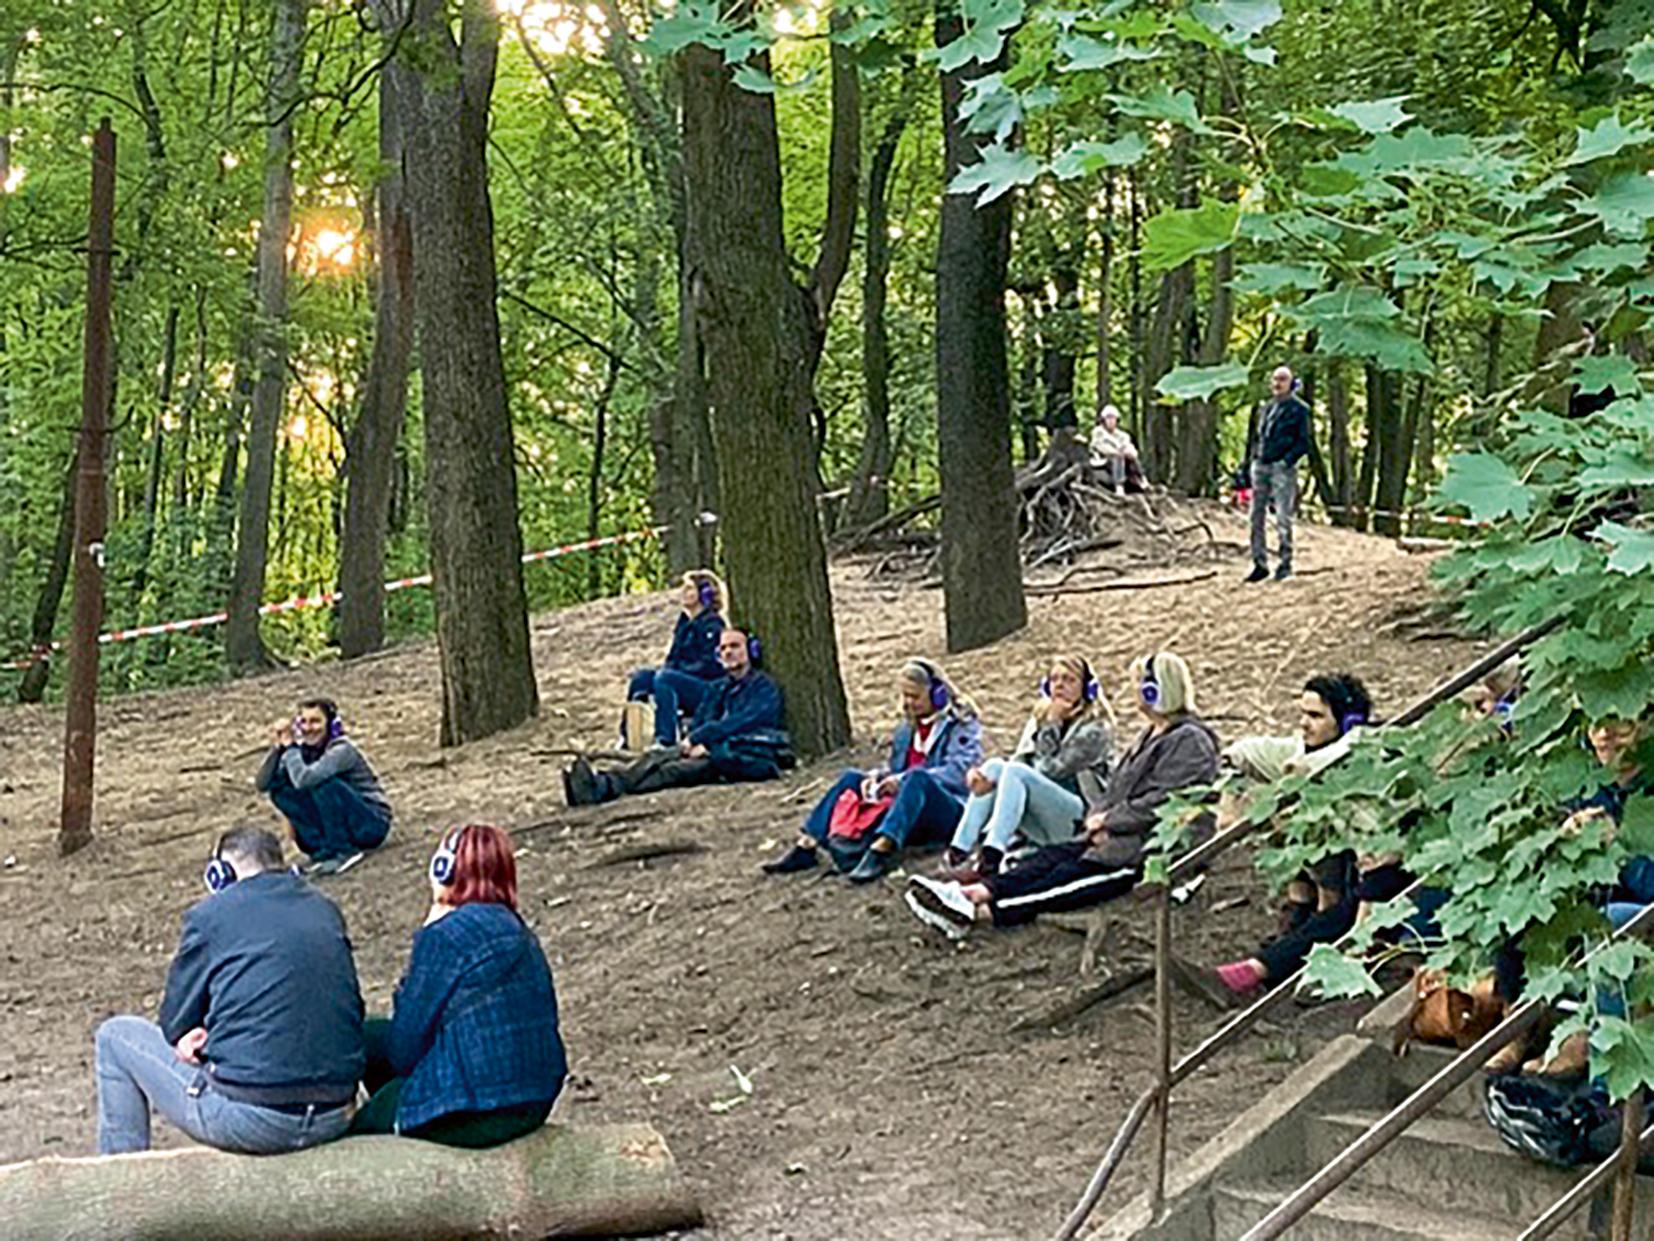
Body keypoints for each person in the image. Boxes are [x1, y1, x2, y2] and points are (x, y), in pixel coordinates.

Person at [93, 826, 364, 1155]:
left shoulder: (211, 916)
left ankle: (119, 1187)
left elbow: (175, 1023)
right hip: (335, 1114)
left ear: (218, 874)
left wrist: (201, 1037)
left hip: (252, 1118)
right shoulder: (325, 909)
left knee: (115, 1037)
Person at [906, 652, 1218, 936]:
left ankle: (977, 914)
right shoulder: (1150, 733)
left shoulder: (1189, 741)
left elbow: (1165, 802)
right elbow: (1117, 788)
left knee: (1065, 881)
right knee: (1046, 860)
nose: (1134, 691)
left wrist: (1109, 822)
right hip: (1107, 833)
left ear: (1157, 690)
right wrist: (1101, 821)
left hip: (1147, 850)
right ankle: (973, 891)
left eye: (1139, 685)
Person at [350, 824, 567, 1146]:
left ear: (445, 869)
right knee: (370, 1035)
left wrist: (428, 929)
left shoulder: (445, 936)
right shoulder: (517, 929)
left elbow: (404, 1050)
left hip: (478, 1108)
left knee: (361, 1132)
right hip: (535, 1099)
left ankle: (403, 1122)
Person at [1205, 674, 1382, 998]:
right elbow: (1238, 754)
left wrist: (1360, 943)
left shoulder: (1361, 763)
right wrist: (1229, 806)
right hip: (1340, 871)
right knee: (1280, 808)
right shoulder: (1300, 749)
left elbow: (1376, 857)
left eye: (1315, 716)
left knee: (1343, 910)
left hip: (1371, 876)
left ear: (1347, 722)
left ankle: (1260, 970)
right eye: (1302, 713)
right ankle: (1297, 916)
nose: (1304, 724)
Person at [763, 659, 985, 884]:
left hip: (950, 809)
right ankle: (807, 844)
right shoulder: (905, 730)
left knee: (918, 778)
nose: (909, 703)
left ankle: (881, 850)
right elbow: (896, 770)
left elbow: (958, 772)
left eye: (915, 697)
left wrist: (901, 780)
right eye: (905, 696)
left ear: (937, 694)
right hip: (909, 807)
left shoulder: (961, 724)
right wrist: (877, 778)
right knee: (852, 778)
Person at [564, 626, 790, 805]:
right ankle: (599, 784)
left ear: (751, 650)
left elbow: (742, 723)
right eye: (722, 648)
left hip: (745, 754)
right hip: (713, 750)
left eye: (735, 646)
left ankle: (600, 788)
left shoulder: (764, 688)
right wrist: (694, 741)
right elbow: (702, 719)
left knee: (670, 772)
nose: (728, 652)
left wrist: (707, 744)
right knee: (656, 758)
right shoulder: (718, 688)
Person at [940, 655, 1115, 883]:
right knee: (995, 767)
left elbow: (1047, 769)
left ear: (1087, 688)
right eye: (1054, 679)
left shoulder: (1095, 729)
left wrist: (1053, 723)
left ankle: (990, 857)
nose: (1059, 685)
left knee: (1014, 772)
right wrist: (985, 778)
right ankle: (958, 852)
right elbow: (1019, 760)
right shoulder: (1041, 717)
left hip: (1078, 821)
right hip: (1044, 815)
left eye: (1069, 680)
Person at [254, 697, 391, 876]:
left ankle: (344, 851)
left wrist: (290, 751)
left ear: (330, 724)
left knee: (322, 784)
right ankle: (321, 850)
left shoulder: (342, 749)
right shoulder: (300, 751)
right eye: (303, 722)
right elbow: (263, 784)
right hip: (337, 823)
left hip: (371, 823)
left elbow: (305, 778)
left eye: (315, 721)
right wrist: (279, 749)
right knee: (280, 790)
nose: (309, 728)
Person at [623, 570, 727, 749]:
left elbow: (711, 665)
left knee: (666, 679)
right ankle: (630, 735)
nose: (684, 593)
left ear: (704, 594)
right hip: (682, 676)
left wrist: (678, 672)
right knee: (642, 678)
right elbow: (673, 656)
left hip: (706, 688)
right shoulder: (684, 623)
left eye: (689, 589)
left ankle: (666, 739)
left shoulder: (713, 625)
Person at [1244, 366, 1313, 583]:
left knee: (1283, 515)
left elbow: (1304, 442)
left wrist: (1287, 461)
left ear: (1291, 383)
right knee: (1256, 515)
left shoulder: (1300, 409)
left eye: (1282, 379)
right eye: (1274, 379)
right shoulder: (1266, 408)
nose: (1277, 384)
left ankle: (1285, 563)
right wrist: (1252, 460)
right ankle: (1259, 563)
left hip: (1282, 467)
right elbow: (1258, 437)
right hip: (1261, 465)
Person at [1089, 404, 1144, 496]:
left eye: (1113, 418)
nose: (1111, 421)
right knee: (1117, 457)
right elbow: (1100, 447)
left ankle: (1141, 478)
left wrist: (1130, 452)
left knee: (1130, 458)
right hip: (1104, 461)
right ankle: (1119, 486)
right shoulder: (1098, 432)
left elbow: (1129, 447)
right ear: (1103, 420)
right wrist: (1117, 452)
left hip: (1124, 461)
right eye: (1108, 418)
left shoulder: (1123, 435)